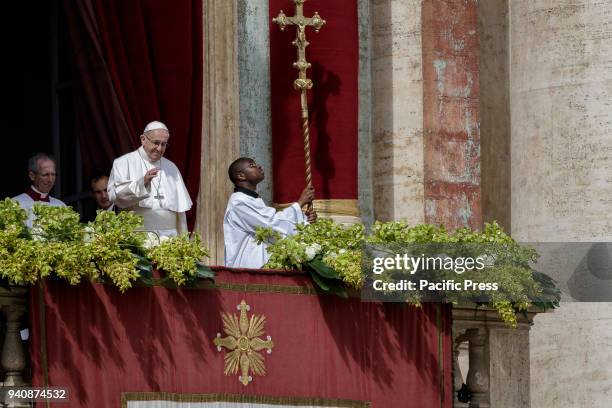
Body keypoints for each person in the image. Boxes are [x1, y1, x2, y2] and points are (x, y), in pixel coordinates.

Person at [224, 157, 317, 268]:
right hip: (248, 266)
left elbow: (273, 228)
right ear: (241, 176)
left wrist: (305, 220)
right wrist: (300, 203)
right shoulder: (239, 202)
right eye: (252, 165)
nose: (258, 166)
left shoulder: (251, 200)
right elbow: (271, 224)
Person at [107, 121, 192, 237]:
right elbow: (116, 197)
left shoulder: (171, 167)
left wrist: (183, 240)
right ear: (143, 139)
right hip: (138, 236)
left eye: (164, 144)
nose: (159, 148)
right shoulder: (123, 163)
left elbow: (180, 214)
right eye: (156, 143)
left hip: (170, 238)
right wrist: (142, 183)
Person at [13, 153, 66, 226]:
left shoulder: (61, 206)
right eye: (45, 175)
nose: (50, 180)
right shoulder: (15, 204)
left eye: (53, 174)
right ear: (32, 176)